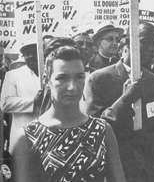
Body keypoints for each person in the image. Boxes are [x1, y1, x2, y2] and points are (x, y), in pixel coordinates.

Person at [12, 38, 126, 182]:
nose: (72, 87)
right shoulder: (27, 137)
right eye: (62, 78)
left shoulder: (102, 130)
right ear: (47, 80)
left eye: (79, 77)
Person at [83, 22, 154, 182]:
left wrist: (150, 153)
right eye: (145, 41)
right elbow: (94, 129)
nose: (153, 48)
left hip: (149, 171)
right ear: (127, 43)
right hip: (115, 168)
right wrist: (125, 99)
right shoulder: (99, 79)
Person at [0, 43, 40, 153]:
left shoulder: (52, 73)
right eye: (27, 53)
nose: (31, 56)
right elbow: (5, 104)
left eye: (34, 52)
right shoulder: (13, 75)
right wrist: (34, 101)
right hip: (22, 141)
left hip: (48, 141)